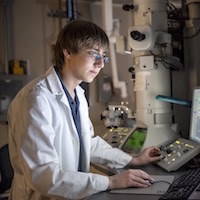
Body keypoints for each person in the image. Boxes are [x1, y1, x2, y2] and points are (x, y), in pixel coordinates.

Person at [7, 20, 161, 200]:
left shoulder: (77, 94)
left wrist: (133, 161)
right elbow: (44, 176)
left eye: (104, 56)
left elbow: (88, 142)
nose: (101, 64)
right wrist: (110, 182)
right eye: (94, 54)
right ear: (68, 51)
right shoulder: (35, 99)